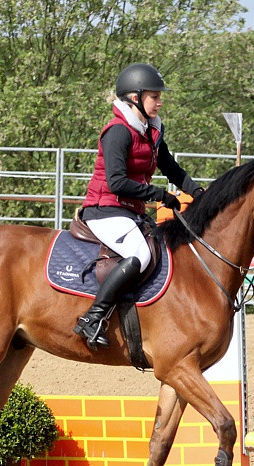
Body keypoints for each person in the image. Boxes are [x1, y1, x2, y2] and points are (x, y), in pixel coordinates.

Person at [74, 63, 205, 350]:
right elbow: (117, 182)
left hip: (130, 211)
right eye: (154, 96)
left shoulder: (151, 131)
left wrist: (197, 192)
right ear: (135, 98)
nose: (160, 102)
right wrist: (160, 194)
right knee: (140, 254)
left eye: (159, 97)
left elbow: (170, 167)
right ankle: (93, 318)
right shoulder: (118, 132)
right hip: (104, 209)